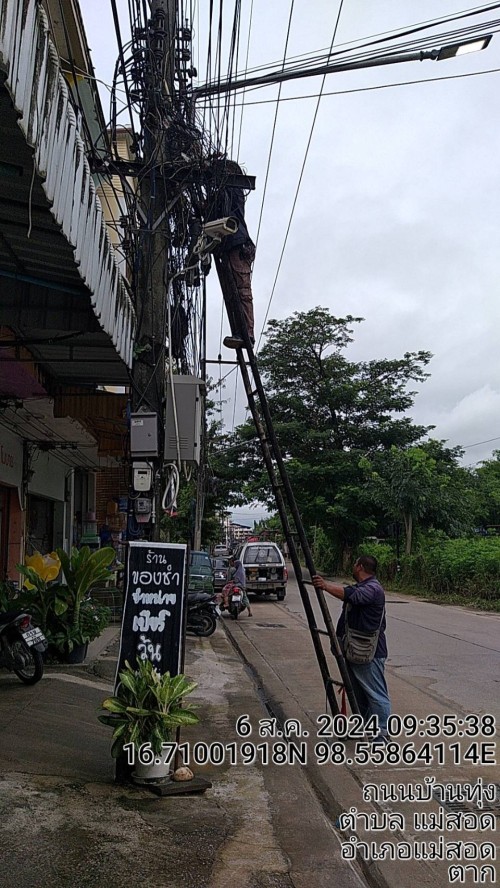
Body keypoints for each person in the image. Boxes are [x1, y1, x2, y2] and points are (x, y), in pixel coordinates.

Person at [312, 554, 391, 744]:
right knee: (359, 694)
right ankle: (362, 727)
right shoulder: (365, 586)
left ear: (361, 567)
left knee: (376, 694)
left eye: (355, 564)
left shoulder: (373, 589)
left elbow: (352, 596)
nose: (353, 567)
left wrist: (325, 586)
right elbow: (350, 590)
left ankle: (382, 733)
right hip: (356, 651)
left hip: (369, 653)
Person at [210, 159, 256, 349]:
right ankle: (240, 332)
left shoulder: (234, 189)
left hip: (237, 245)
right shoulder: (223, 194)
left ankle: (247, 334)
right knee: (232, 293)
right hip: (227, 246)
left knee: (241, 292)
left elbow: (223, 204)